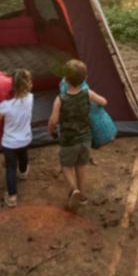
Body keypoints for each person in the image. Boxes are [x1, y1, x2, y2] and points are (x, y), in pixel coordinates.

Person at [48, 59, 107, 211]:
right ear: (85, 78)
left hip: (68, 140)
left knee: (66, 166)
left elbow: (53, 121)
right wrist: (97, 106)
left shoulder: (60, 99)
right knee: (81, 166)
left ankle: (74, 189)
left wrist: (50, 132)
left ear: (65, 79)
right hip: (85, 138)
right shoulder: (88, 93)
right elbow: (104, 102)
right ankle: (83, 197)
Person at [0, 69, 33, 208]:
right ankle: (24, 172)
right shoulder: (31, 98)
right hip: (25, 139)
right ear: (28, 84)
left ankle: (12, 197)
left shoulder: (5, 106)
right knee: (23, 156)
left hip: (9, 143)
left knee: (10, 168)